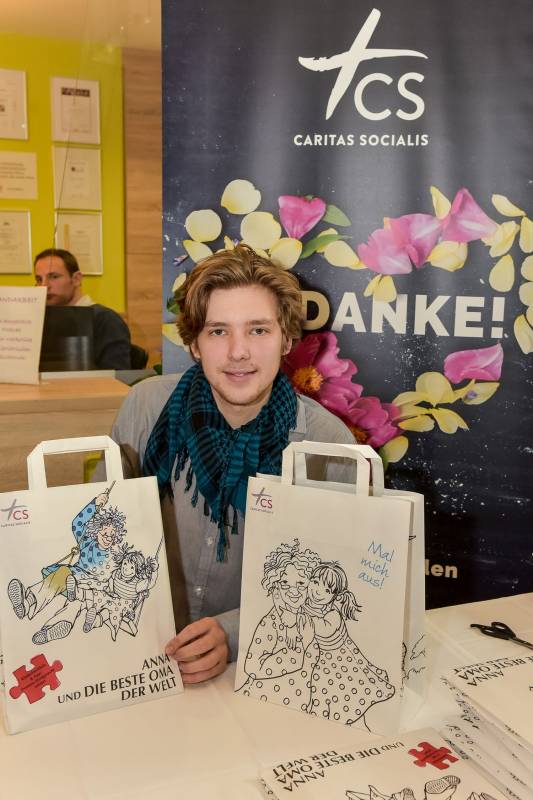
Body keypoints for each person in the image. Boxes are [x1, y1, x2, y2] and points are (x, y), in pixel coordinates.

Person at [105, 243, 355, 684]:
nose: (239, 351)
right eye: (218, 331)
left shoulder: (327, 443)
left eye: (258, 330)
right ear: (194, 344)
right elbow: (103, 531)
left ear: (287, 340)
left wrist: (235, 634)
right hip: (141, 658)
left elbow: (336, 583)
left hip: (264, 669)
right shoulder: (145, 406)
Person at [7, 490, 126, 644]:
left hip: (91, 589)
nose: (108, 538)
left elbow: (122, 574)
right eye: (105, 534)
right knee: (61, 574)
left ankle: (51, 630)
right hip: (72, 577)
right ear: (96, 531)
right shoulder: (88, 542)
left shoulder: (115, 554)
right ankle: (28, 602)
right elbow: (77, 524)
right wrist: (95, 504)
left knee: (77, 603)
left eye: (112, 535)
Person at [298, 562, 395, 727]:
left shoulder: (333, 614)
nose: (317, 591)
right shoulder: (306, 604)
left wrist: (302, 615)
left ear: (335, 596)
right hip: (322, 656)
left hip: (340, 658)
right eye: (315, 582)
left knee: (340, 686)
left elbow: (323, 629)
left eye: (327, 590)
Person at [237, 540, 322, 705]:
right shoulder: (271, 622)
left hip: (299, 705)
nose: (293, 591)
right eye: (285, 583)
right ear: (275, 584)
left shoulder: (306, 618)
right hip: (262, 702)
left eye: (301, 584)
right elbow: (252, 667)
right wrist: (296, 650)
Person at [34, 247, 131, 369]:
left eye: (53, 277)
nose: (44, 286)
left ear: (76, 279)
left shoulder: (106, 319)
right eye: (39, 279)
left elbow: (117, 375)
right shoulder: (40, 320)